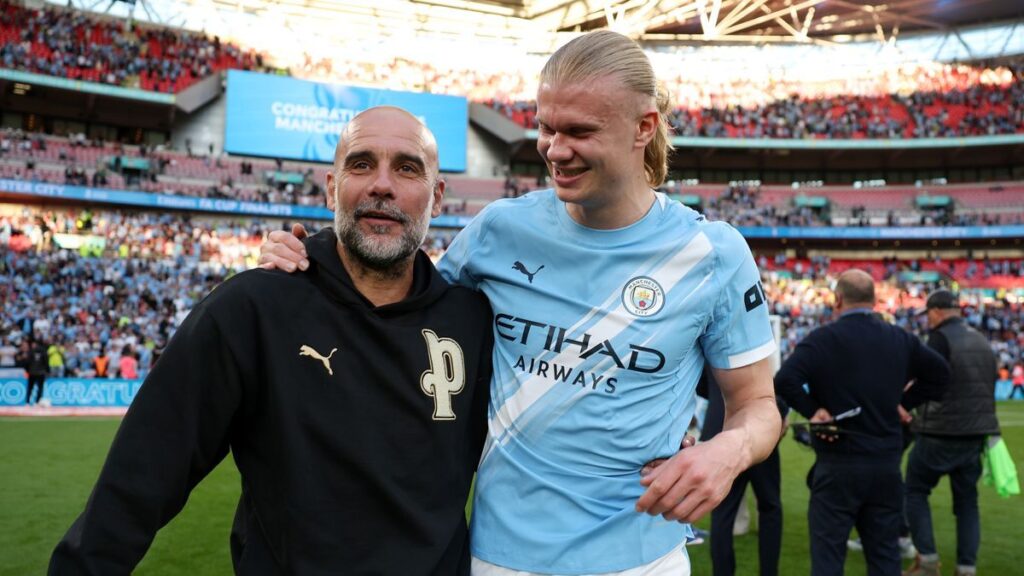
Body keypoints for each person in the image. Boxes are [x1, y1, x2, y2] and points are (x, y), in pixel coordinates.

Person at [260, 30, 782, 575]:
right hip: (498, 558)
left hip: (641, 560)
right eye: (546, 128)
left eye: (580, 131)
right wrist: (311, 258)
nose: (555, 150)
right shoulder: (499, 231)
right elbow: (401, 309)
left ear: (643, 127)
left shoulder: (712, 255)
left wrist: (730, 451)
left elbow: (757, 407)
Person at [49, 107, 495, 575]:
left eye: (407, 168)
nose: (382, 184)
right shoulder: (252, 308)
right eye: (361, 164)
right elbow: (139, 479)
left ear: (437, 197)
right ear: (330, 188)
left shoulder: (473, 322)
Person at [774, 269, 951, 576]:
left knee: (828, 558)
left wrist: (813, 410)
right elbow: (941, 375)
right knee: (884, 559)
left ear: (837, 299)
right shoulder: (899, 338)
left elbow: (785, 379)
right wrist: (903, 404)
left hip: (837, 464)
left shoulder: (822, 339)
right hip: (885, 465)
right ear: (874, 300)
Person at [903, 289, 1000, 576]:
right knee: (967, 502)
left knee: (915, 491)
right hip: (975, 434)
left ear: (936, 311)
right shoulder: (981, 339)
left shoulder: (940, 338)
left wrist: (904, 404)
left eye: (928, 314)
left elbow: (927, 379)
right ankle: (966, 567)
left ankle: (928, 562)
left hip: (939, 431)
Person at [698, 365, 786, 576]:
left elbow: (701, 385)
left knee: (723, 513)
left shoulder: (707, 342)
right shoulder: (748, 338)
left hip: (721, 428)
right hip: (755, 428)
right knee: (769, 506)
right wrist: (780, 411)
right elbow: (766, 386)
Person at [23, 338, 50, 405]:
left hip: (32, 372)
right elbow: (46, 362)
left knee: (30, 388)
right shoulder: (44, 351)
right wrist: (47, 371)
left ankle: (27, 402)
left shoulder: (31, 351)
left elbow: (27, 362)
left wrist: (27, 370)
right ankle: (37, 402)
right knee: (40, 388)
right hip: (41, 372)